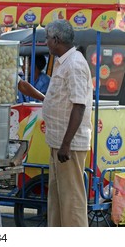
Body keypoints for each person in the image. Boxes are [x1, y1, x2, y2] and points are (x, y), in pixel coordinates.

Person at [42, 19, 93, 227]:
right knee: (57, 199)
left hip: (68, 144)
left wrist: (66, 144)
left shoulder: (75, 64)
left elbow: (79, 106)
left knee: (72, 201)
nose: (46, 42)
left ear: (56, 40)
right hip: (58, 141)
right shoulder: (64, 62)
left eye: (47, 38)